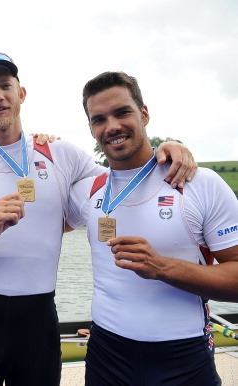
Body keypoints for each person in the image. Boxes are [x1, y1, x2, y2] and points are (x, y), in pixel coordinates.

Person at [0, 53, 197, 386]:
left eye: (5, 85)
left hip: (37, 318)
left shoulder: (62, 154)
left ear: (21, 93)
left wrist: (167, 148)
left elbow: (126, 179)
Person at [66, 71, 238, 385]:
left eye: (122, 112)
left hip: (182, 357)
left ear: (144, 114)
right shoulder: (89, 190)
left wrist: (162, 267)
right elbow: (33, 224)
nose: (112, 126)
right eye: (99, 119)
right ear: (91, 128)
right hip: (107, 355)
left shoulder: (198, 183)